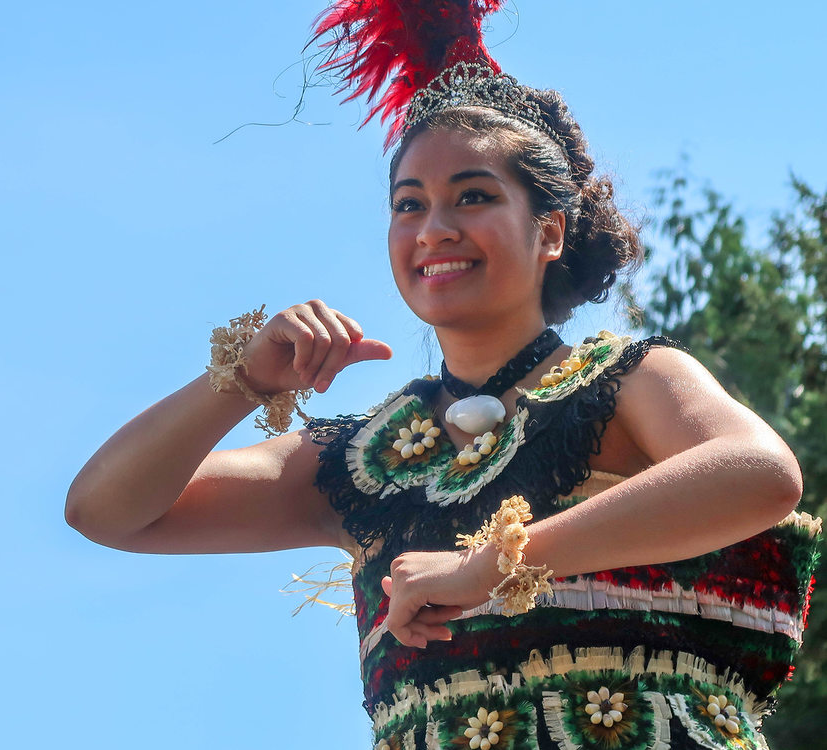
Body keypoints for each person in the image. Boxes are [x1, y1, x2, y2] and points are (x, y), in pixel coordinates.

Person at [67, 2, 818, 747]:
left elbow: (757, 473)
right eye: (407, 204)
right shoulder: (361, 460)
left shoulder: (625, 379)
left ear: (548, 230)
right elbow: (105, 511)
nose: (433, 229)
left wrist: (488, 567)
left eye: (473, 196)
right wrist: (242, 381)